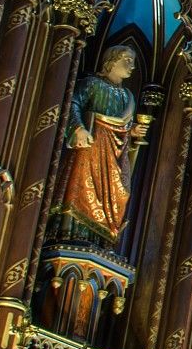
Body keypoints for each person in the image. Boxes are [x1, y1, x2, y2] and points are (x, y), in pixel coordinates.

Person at [55, 45, 149, 243]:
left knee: (120, 193)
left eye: (133, 61)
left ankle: (100, 238)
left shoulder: (128, 97)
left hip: (114, 154)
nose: (131, 65)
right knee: (81, 188)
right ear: (111, 61)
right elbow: (73, 104)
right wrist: (78, 128)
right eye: (127, 59)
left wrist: (132, 133)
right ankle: (70, 232)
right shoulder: (92, 84)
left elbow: (122, 128)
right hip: (92, 148)